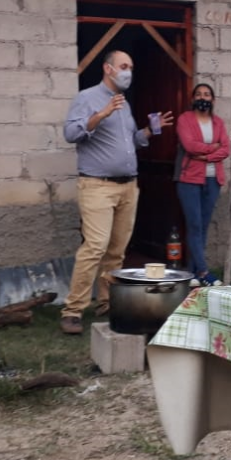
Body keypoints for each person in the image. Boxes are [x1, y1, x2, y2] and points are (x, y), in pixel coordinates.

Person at [59, 50, 173, 335]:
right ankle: (73, 310)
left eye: (131, 67)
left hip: (127, 186)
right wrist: (102, 114)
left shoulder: (126, 105)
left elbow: (130, 142)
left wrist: (149, 131)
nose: (128, 72)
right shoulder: (87, 98)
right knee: (94, 247)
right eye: (124, 66)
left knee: (116, 252)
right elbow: (71, 134)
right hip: (97, 185)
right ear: (108, 68)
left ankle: (106, 304)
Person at [174, 83, 230, 286]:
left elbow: (225, 149)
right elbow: (189, 146)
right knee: (195, 224)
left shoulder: (218, 123)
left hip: (213, 179)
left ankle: (192, 272)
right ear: (192, 99)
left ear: (213, 100)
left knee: (203, 226)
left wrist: (205, 156)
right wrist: (212, 149)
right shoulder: (184, 119)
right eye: (198, 94)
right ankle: (204, 272)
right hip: (189, 179)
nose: (203, 97)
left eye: (207, 95)